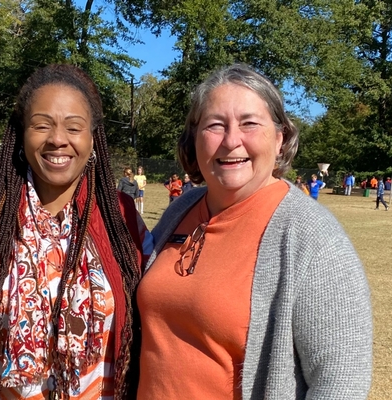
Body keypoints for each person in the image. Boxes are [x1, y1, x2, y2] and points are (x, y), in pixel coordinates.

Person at [137, 64, 372, 399]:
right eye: (215, 125)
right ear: (195, 139)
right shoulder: (181, 209)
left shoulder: (311, 236)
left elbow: (342, 379)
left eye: (249, 124)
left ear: (280, 139)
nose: (231, 141)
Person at [0, 64, 153, 400]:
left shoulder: (123, 219)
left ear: (93, 138)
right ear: (22, 135)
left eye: (74, 127)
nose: (58, 139)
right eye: (41, 125)